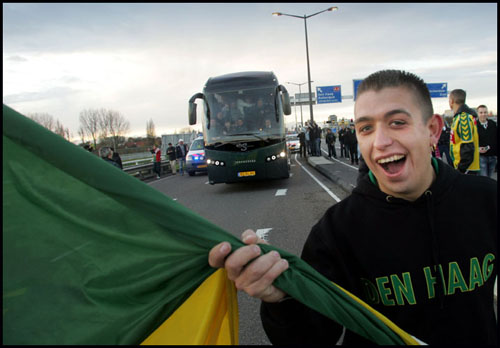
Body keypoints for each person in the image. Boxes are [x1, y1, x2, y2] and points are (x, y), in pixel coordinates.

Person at [207, 69, 497, 345]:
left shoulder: (487, 201)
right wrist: (282, 299)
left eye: (397, 122)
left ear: (432, 130)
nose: (380, 142)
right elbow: (309, 337)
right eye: (366, 128)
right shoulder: (336, 231)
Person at [448, 89, 480, 174]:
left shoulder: (463, 119)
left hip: (467, 169)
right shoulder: (458, 118)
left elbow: (467, 145)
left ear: (452, 101)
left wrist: (461, 169)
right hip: (463, 167)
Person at [476, 104, 497, 178]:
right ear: (477, 114)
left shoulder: (493, 124)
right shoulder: (474, 126)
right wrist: (477, 149)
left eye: (485, 112)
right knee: (484, 178)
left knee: (490, 177)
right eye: (481, 112)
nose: (483, 114)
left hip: (493, 156)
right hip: (481, 157)